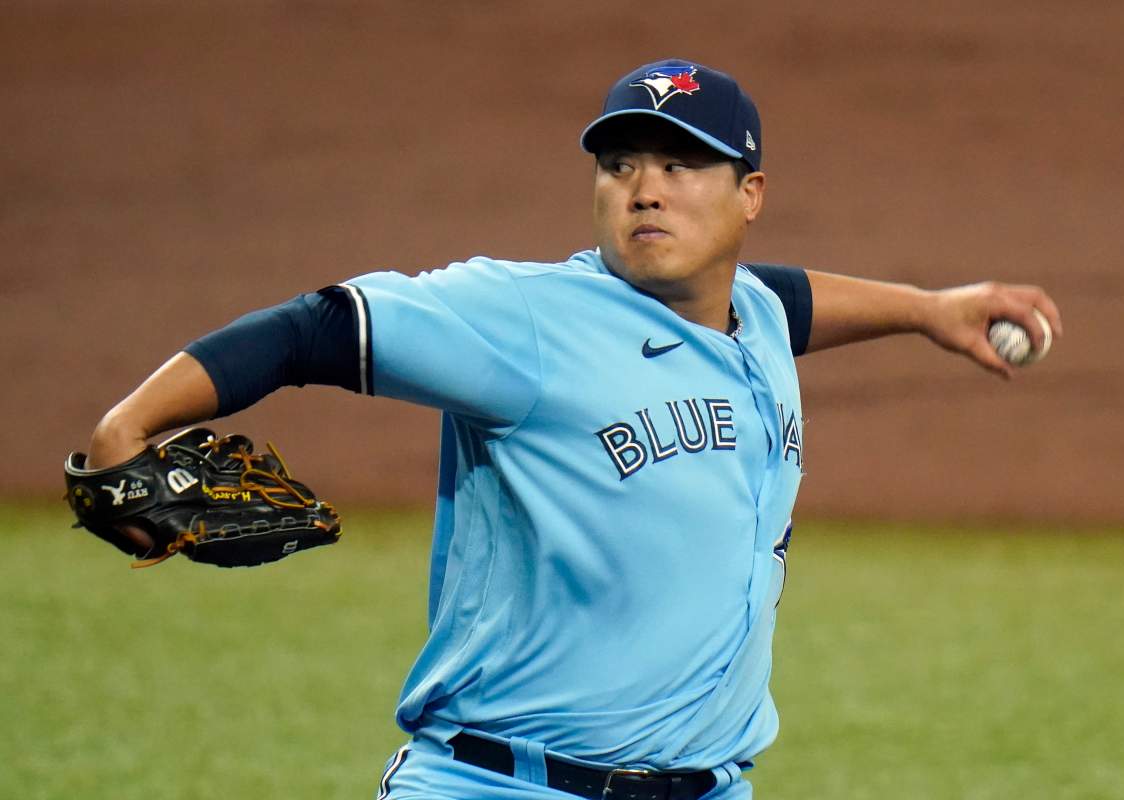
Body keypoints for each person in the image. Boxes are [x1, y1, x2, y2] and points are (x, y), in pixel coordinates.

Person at [83, 60, 1061, 800]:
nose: (645, 186)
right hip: (499, 781)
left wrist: (932, 308)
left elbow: (793, 300)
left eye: (681, 163)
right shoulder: (524, 318)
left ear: (750, 195)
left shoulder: (753, 316)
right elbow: (318, 327)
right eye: (621, 162)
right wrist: (130, 425)